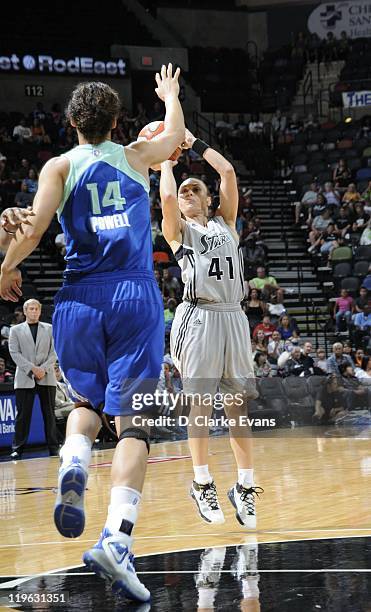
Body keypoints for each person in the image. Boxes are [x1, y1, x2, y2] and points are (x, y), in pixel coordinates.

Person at [0, 65, 185, 603]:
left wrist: (7, 267)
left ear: (72, 124)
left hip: (78, 296)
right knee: (133, 425)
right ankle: (116, 540)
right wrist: (170, 96)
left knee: (85, 400)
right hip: (133, 294)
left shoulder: (58, 166)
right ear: (116, 121)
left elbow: (32, 230)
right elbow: (173, 134)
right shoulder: (135, 157)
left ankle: (75, 460)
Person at [160, 127, 262, 530]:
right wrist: (167, 163)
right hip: (198, 316)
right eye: (184, 191)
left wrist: (191, 141)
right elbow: (167, 196)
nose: (187, 192)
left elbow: (228, 172)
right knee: (200, 406)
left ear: (207, 198)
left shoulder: (226, 222)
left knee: (239, 407)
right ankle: (202, 482)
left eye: (195, 188)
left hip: (233, 316)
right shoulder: (179, 231)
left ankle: (245, 487)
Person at [8, 299, 58, 459]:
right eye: (31, 309)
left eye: (37, 309)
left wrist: (43, 369)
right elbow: (14, 353)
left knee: (49, 414)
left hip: (47, 376)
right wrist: (32, 368)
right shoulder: (15, 330)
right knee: (23, 416)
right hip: (24, 377)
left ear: (40, 311)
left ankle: (53, 447)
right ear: (25, 311)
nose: (34, 311)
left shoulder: (50, 329)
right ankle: (17, 448)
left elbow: (54, 352)